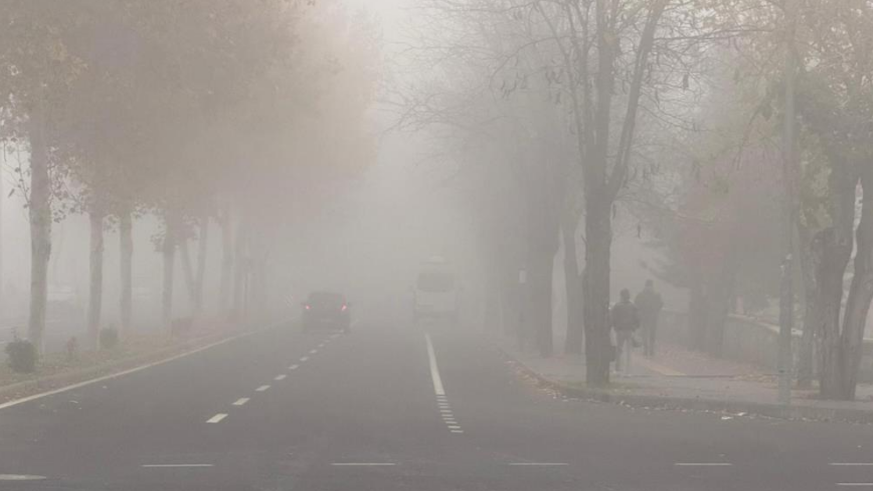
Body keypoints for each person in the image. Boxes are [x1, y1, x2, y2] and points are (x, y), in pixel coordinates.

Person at [611, 288, 640, 374]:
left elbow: (613, 318)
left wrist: (615, 327)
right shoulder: (633, 306)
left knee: (619, 350)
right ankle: (628, 371)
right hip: (630, 330)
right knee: (629, 351)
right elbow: (637, 319)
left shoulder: (617, 306)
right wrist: (634, 328)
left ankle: (617, 369)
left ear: (621, 296)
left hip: (620, 330)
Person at [635, 279, 664, 357]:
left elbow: (636, 303)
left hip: (644, 316)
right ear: (652, 285)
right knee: (652, 334)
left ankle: (645, 349)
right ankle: (651, 350)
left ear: (645, 285)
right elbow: (661, 304)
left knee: (644, 333)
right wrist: (656, 310)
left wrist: (640, 311)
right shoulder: (657, 294)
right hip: (653, 317)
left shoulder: (641, 294)